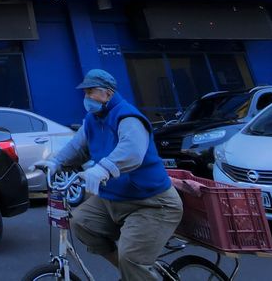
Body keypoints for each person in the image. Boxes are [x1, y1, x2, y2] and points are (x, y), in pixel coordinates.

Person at [36, 69, 183, 281]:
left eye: (91, 92)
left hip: (151, 203)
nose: (87, 98)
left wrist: (103, 168)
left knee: (131, 257)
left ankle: (134, 270)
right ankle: (132, 274)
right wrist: (55, 162)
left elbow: (132, 151)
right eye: (85, 93)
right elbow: (77, 147)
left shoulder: (127, 116)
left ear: (108, 93)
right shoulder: (93, 119)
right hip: (113, 200)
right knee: (81, 223)